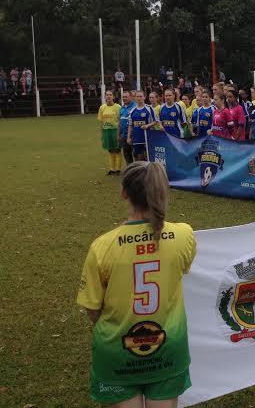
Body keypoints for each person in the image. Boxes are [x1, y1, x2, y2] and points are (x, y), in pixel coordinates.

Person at [76, 161, 196, 407]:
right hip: (168, 349)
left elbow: (92, 310)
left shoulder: (103, 246)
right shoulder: (184, 235)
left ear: (124, 193)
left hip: (117, 351)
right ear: (161, 192)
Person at [97, 90, 122, 175]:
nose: (108, 96)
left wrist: (119, 132)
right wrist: (102, 133)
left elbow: (120, 120)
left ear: (113, 97)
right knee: (110, 150)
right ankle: (112, 169)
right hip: (106, 131)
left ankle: (118, 169)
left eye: (110, 95)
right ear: (105, 97)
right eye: (107, 95)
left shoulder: (118, 107)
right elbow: (101, 121)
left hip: (115, 130)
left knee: (117, 149)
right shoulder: (102, 107)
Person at [127, 91, 157, 161]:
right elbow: (130, 125)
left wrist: (147, 125)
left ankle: (148, 171)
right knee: (139, 158)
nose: (139, 98)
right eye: (137, 96)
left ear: (144, 97)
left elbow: (155, 121)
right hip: (136, 138)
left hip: (147, 137)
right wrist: (128, 137)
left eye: (141, 96)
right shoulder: (132, 110)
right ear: (135, 98)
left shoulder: (149, 108)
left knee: (148, 157)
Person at [119, 91, 135, 166]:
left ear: (131, 97)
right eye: (123, 97)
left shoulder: (135, 107)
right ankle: (130, 171)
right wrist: (118, 135)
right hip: (123, 136)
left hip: (133, 136)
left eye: (126, 97)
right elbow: (120, 122)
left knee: (136, 154)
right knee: (126, 155)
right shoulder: (122, 108)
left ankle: (137, 171)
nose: (124, 98)